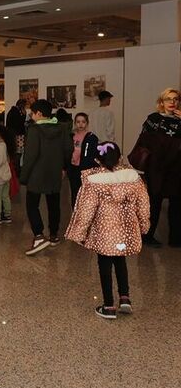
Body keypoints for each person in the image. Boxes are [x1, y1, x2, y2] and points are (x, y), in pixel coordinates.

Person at [66, 142, 150, 319]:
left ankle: (109, 305)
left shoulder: (94, 181)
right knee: (120, 261)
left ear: (97, 159)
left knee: (104, 265)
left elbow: (86, 210)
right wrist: (144, 225)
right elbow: (143, 205)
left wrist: (79, 232)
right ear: (119, 157)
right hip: (126, 230)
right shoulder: (133, 177)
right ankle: (125, 298)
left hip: (104, 232)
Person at [130, 88, 181, 247]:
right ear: (161, 102)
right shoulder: (154, 119)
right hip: (156, 167)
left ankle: (176, 238)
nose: (172, 102)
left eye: (175, 99)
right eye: (168, 99)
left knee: (177, 203)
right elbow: (145, 142)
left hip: (176, 168)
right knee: (154, 202)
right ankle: (147, 236)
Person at [21, 99, 72, 255]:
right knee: (54, 203)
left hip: (37, 173)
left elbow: (30, 155)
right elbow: (68, 149)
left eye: (32, 113)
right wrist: (63, 167)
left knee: (32, 204)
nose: (30, 115)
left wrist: (23, 176)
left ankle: (38, 235)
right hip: (54, 172)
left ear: (39, 114)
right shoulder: (62, 128)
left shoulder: (34, 130)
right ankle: (54, 235)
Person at [68, 113, 99, 208]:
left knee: (85, 192)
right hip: (73, 167)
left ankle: (85, 212)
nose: (80, 124)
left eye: (83, 122)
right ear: (75, 123)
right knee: (74, 191)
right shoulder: (71, 136)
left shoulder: (91, 137)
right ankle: (75, 212)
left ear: (87, 123)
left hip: (85, 169)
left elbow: (93, 154)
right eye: (78, 122)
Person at [6, 99, 28, 176]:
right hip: (18, 136)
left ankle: (15, 170)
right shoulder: (17, 113)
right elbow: (20, 124)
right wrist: (24, 115)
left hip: (12, 135)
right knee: (18, 154)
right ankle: (17, 171)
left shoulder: (12, 111)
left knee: (15, 153)